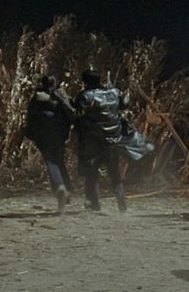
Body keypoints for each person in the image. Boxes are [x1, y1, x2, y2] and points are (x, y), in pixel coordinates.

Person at [73, 69, 154, 212]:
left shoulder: (85, 96)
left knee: (92, 173)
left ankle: (94, 204)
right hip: (115, 139)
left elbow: (76, 112)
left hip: (94, 141)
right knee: (114, 172)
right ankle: (121, 202)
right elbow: (125, 104)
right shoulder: (114, 92)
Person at [23, 74, 75, 213]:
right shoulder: (62, 96)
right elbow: (70, 114)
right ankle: (68, 187)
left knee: (50, 161)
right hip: (59, 134)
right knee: (59, 160)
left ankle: (60, 187)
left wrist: (30, 133)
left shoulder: (37, 97)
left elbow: (30, 117)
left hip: (43, 136)